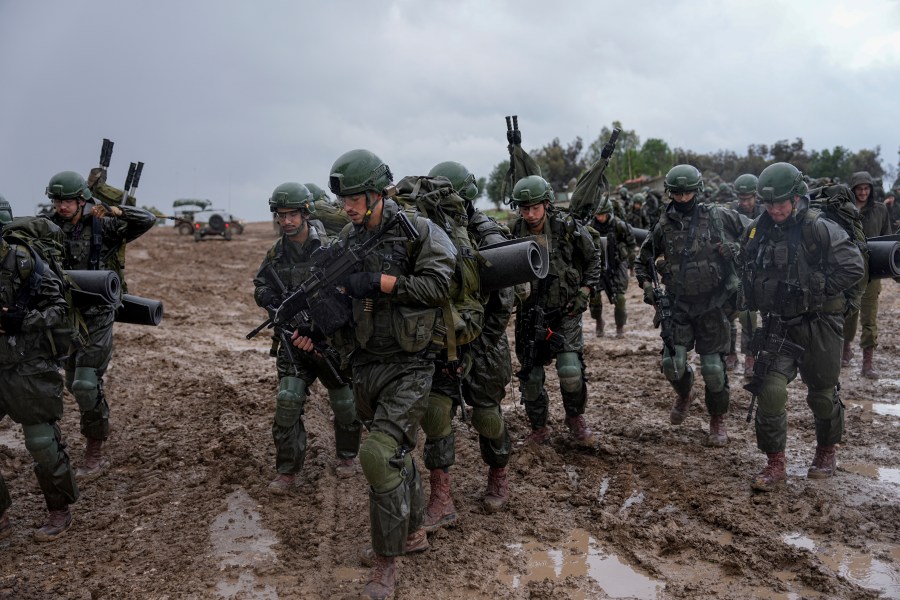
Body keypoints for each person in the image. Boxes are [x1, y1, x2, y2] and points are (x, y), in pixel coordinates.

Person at [293, 149, 454, 599]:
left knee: (378, 456)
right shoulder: (348, 238)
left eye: (355, 198)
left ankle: (385, 566)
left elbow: (441, 285)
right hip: (366, 364)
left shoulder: (420, 231)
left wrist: (383, 283)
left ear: (379, 193)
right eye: (343, 198)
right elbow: (340, 306)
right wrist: (316, 331)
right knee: (398, 452)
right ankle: (414, 530)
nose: (347, 206)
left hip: (412, 363)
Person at [739, 162, 864, 490]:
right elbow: (745, 264)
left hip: (819, 323)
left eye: (780, 203)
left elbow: (853, 267)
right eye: (769, 204)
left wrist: (816, 285)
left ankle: (826, 452)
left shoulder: (818, 227)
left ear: (796, 198)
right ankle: (775, 462)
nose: (775, 210)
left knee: (822, 396)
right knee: (770, 390)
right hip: (778, 324)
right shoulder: (758, 229)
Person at [418, 161, 514, 528]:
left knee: (487, 417)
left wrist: (475, 348)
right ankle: (441, 498)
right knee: (436, 414)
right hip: (444, 343)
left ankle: (498, 475)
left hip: (484, 346)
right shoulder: (429, 234)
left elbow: (503, 303)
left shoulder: (487, 236)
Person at [45, 170, 156, 479]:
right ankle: (92, 430)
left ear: (83, 200)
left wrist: (114, 209)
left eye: (67, 200)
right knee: (72, 382)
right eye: (57, 200)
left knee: (85, 382)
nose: (61, 206)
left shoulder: (104, 226)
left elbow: (146, 219)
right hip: (65, 315)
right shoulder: (52, 227)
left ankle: (95, 448)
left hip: (98, 314)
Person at [253, 182, 361, 493]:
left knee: (345, 402)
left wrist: (321, 329)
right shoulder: (276, 253)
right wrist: (273, 304)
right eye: (281, 215)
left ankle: (347, 457)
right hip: (291, 341)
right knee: (288, 401)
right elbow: (261, 285)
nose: (286, 221)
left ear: (306, 213)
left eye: (292, 215)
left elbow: (348, 295)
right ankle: (288, 471)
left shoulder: (329, 248)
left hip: (331, 341)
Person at [634, 164, 744, 447]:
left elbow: (753, 232)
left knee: (714, 369)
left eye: (688, 192)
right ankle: (685, 393)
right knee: (672, 364)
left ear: (698, 191)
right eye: (678, 193)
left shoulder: (718, 216)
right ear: (670, 193)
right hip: (679, 305)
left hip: (713, 304)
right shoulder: (662, 226)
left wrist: (736, 250)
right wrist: (651, 292)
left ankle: (717, 420)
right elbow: (642, 263)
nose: (683, 198)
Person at [0, 222, 79, 540]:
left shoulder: (26, 263)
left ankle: (59, 511)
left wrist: (20, 320)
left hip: (28, 367)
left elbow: (60, 310)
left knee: (42, 443)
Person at [509, 175, 602, 445]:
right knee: (531, 375)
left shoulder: (567, 227)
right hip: (529, 315)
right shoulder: (514, 231)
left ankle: (575, 418)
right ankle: (539, 428)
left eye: (534, 208)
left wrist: (585, 292)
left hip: (565, 311)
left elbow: (594, 258)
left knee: (570, 370)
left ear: (547, 204)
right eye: (524, 209)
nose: (529, 214)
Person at [841, 171, 892, 378]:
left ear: (871, 190)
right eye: (859, 188)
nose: (863, 192)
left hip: (872, 271)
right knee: (848, 314)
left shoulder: (880, 210)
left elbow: (888, 239)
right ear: (853, 190)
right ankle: (845, 351)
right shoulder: (844, 210)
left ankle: (867, 363)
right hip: (850, 272)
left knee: (869, 318)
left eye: (866, 188)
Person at [589, 196, 636, 338]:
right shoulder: (590, 226)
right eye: (598, 215)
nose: (600, 218)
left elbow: (631, 244)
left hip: (617, 264)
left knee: (620, 298)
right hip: (598, 265)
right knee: (594, 296)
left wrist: (623, 257)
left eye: (603, 214)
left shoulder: (619, 225)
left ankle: (620, 326)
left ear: (609, 212)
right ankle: (598, 321)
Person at [732, 174, 764, 376]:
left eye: (748, 198)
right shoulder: (731, 214)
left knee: (753, 319)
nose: (744, 202)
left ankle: (751, 357)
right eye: (741, 198)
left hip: (762, 270)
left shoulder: (766, 213)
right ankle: (730, 354)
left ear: (756, 196)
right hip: (737, 269)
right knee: (735, 315)